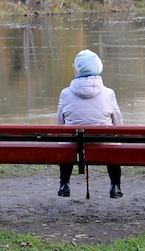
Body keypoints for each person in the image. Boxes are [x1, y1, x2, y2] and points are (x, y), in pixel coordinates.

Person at [56, 49, 124, 198]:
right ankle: (115, 186)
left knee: (65, 140)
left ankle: (64, 184)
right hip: (103, 143)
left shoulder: (65, 93)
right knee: (114, 142)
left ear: (77, 69)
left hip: (74, 144)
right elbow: (118, 123)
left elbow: (60, 124)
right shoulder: (109, 93)